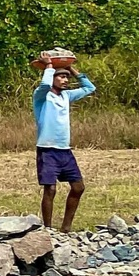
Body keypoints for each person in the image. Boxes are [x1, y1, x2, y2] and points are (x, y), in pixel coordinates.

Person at [33, 56, 95, 230]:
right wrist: (50, 65)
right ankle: (48, 228)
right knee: (50, 189)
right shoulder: (42, 96)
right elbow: (45, 85)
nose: (66, 80)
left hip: (64, 150)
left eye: (67, 77)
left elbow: (89, 87)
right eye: (61, 76)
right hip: (47, 149)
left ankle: (66, 228)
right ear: (52, 77)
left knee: (78, 187)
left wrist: (71, 68)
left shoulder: (66, 96)